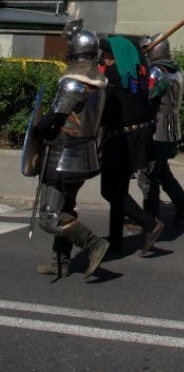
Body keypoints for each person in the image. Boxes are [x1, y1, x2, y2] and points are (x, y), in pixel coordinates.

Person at [34, 20, 109, 278]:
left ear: (74, 55)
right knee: (67, 207)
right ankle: (59, 261)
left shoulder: (72, 84)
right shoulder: (100, 86)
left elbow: (54, 119)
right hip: (84, 157)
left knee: (49, 215)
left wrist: (37, 130)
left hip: (62, 157)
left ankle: (93, 244)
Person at [99, 36, 164, 256]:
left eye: (107, 55)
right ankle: (115, 240)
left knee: (110, 190)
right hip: (141, 135)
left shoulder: (111, 76)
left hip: (121, 138)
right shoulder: (139, 73)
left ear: (115, 56)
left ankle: (150, 223)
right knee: (120, 190)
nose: (104, 59)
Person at [139, 34, 184, 221]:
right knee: (162, 171)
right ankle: (183, 203)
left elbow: (148, 98)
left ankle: (150, 219)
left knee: (149, 175)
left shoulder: (156, 72)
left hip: (157, 128)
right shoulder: (178, 71)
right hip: (172, 127)